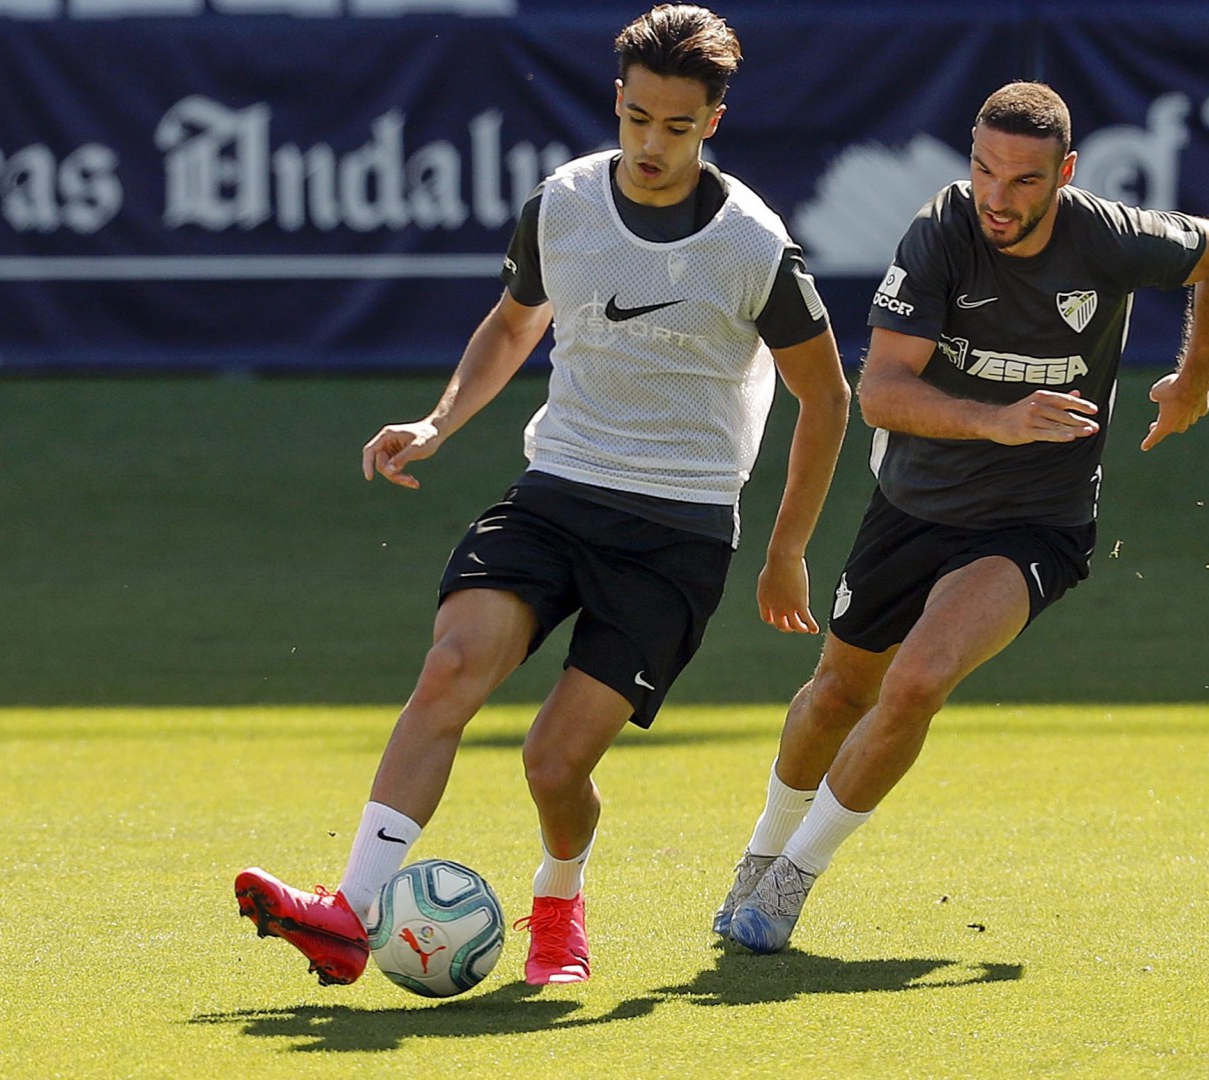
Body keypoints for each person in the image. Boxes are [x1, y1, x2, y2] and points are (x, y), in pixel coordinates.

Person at [235, 3, 850, 986]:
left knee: (553, 764)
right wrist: (437, 424)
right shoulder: (563, 203)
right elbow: (515, 325)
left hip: (676, 532)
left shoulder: (750, 245)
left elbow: (827, 397)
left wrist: (784, 550)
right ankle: (349, 914)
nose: (652, 144)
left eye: (678, 127)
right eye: (638, 118)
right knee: (450, 669)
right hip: (558, 488)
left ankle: (558, 902)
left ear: (713, 126)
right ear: (617, 101)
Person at [714, 80, 1209, 954]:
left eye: (1025, 181)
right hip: (913, 506)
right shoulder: (940, 234)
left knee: (919, 680)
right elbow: (881, 392)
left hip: (1035, 522)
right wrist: (999, 421)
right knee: (837, 694)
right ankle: (760, 853)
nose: (998, 199)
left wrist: (1195, 380)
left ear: (1065, 174)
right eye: (985, 172)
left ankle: (790, 882)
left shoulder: (1107, 238)